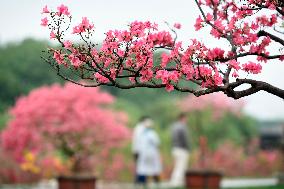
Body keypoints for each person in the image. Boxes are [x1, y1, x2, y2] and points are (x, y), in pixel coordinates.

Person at [136, 118, 162, 187]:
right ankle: (155, 182)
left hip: (144, 153)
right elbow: (157, 143)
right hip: (151, 153)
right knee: (154, 168)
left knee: (143, 168)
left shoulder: (142, 134)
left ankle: (143, 182)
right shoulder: (152, 133)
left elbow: (138, 144)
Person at [170, 113, 191, 187]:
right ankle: (177, 183)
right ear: (183, 118)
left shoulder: (174, 126)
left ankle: (175, 182)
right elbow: (185, 139)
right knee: (181, 167)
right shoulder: (182, 127)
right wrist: (188, 148)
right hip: (182, 149)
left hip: (174, 148)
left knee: (177, 166)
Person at [132, 116, 149, 183]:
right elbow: (140, 140)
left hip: (137, 150)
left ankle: (139, 180)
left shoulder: (138, 128)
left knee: (139, 166)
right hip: (139, 150)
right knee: (140, 166)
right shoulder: (140, 128)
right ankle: (140, 181)